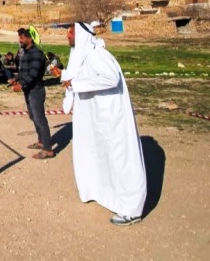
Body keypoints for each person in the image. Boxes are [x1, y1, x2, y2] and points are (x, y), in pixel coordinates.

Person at [61, 22, 147, 226]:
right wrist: (68, 79)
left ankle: (131, 209)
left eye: (71, 32)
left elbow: (111, 78)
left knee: (119, 159)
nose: (68, 36)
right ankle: (101, 193)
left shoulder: (96, 55)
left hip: (110, 118)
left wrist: (76, 84)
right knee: (97, 155)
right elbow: (83, 78)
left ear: (81, 36)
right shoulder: (85, 57)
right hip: (95, 117)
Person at [9, 28, 53, 159]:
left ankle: (48, 149)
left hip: (36, 91)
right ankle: (41, 141)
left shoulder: (37, 53)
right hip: (28, 91)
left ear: (29, 38)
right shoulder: (25, 52)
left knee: (40, 119)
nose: (20, 40)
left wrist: (21, 84)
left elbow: (34, 74)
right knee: (33, 117)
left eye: (22, 38)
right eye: (19, 37)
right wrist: (16, 79)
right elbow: (24, 72)